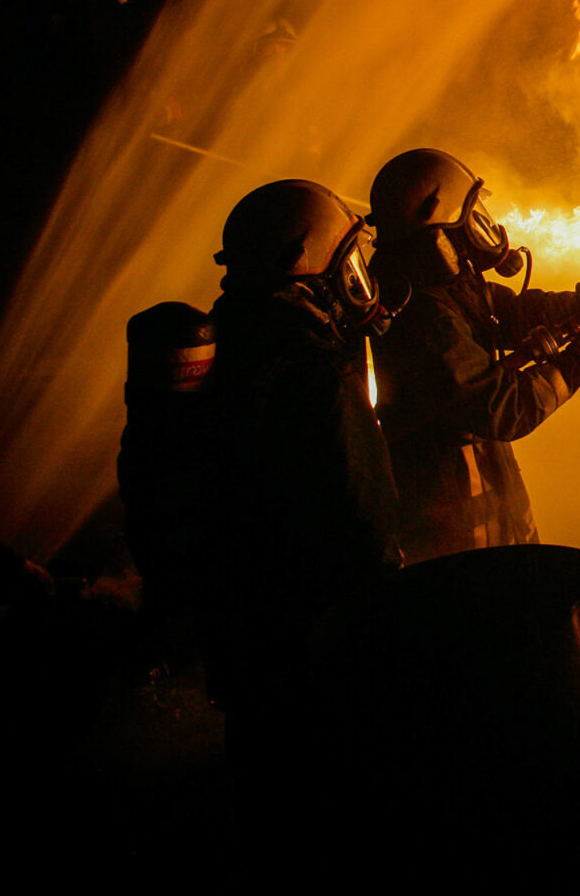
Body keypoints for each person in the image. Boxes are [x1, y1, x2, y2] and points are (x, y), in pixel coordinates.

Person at [196, 179, 403, 868]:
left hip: (246, 648)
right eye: (350, 260)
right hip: (323, 643)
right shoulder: (310, 371)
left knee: (273, 818)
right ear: (313, 263)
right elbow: (361, 516)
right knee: (352, 822)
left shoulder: (226, 353)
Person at [366, 149, 580, 563]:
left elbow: (509, 314)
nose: (483, 224)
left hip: (485, 498)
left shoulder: (444, 284)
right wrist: (577, 363)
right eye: (471, 214)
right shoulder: (419, 310)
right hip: (452, 519)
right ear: (437, 223)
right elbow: (500, 407)